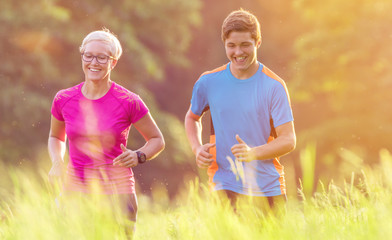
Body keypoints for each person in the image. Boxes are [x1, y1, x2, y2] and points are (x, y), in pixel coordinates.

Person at [48, 28, 165, 237]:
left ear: (113, 62)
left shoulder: (129, 101)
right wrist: (57, 162)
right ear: (82, 56)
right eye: (89, 55)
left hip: (117, 193)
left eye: (102, 57)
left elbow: (157, 140)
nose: (94, 62)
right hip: (75, 189)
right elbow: (56, 137)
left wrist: (138, 156)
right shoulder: (63, 99)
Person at [184, 9, 296, 212]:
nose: (238, 52)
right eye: (231, 46)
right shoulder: (208, 82)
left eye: (245, 45)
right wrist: (196, 147)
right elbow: (192, 117)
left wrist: (253, 153)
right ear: (224, 45)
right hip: (223, 184)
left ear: (257, 42)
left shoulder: (274, 86)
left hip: (267, 189)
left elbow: (288, 139)